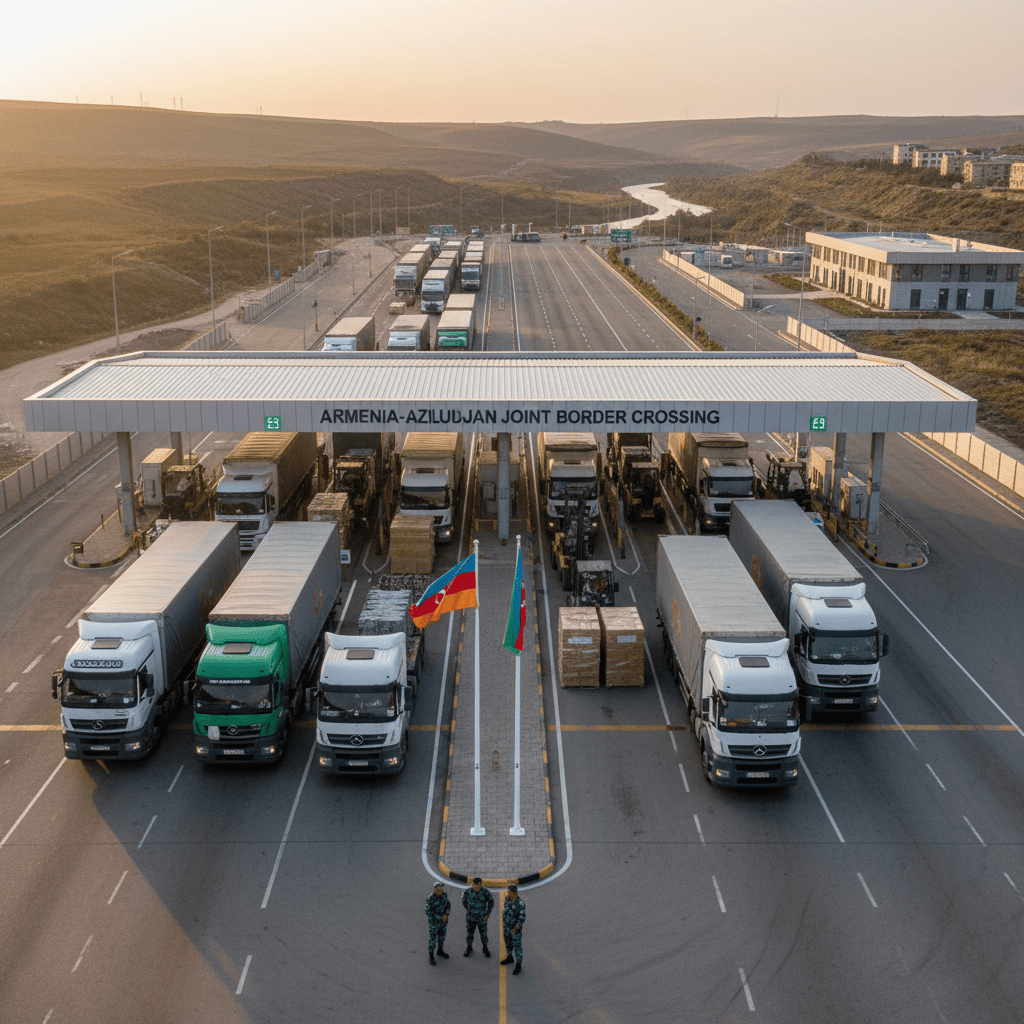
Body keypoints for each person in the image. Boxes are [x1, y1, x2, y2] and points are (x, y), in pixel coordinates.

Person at [462, 877, 494, 957]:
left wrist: (487, 914)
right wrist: (467, 908)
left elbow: (491, 902)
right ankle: (469, 948)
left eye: (475, 885)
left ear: (480, 885)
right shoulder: (468, 891)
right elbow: (464, 900)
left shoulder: (485, 892)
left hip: (481, 918)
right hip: (471, 918)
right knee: (470, 934)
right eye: (473, 884)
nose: (473, 886)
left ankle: (485, 948)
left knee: (483, 934)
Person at [500, 883, 526, 975]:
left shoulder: (520, 904)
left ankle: (518, 964)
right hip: (506, 927)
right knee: (508, 943)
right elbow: (505, 911)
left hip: (515, 931)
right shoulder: (507, 899)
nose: (507, 894)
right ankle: (509, 957)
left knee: (517, 947)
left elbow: (522, 918)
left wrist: (516, 928)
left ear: (515, 893)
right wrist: (504, 923)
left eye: (509, 892)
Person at [425, 881, 450, 965]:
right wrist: (440, 917)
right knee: (433, 939)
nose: (441, 891)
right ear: (435, 890)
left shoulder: (444, 895)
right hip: (434, 923)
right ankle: (431, 956)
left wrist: (447, 914)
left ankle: (440, 950)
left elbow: (448, 905)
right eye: (439, 889)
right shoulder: (430, 899)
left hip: (443, 922)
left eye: (442, 889)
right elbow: (428, 911)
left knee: (442, 937)